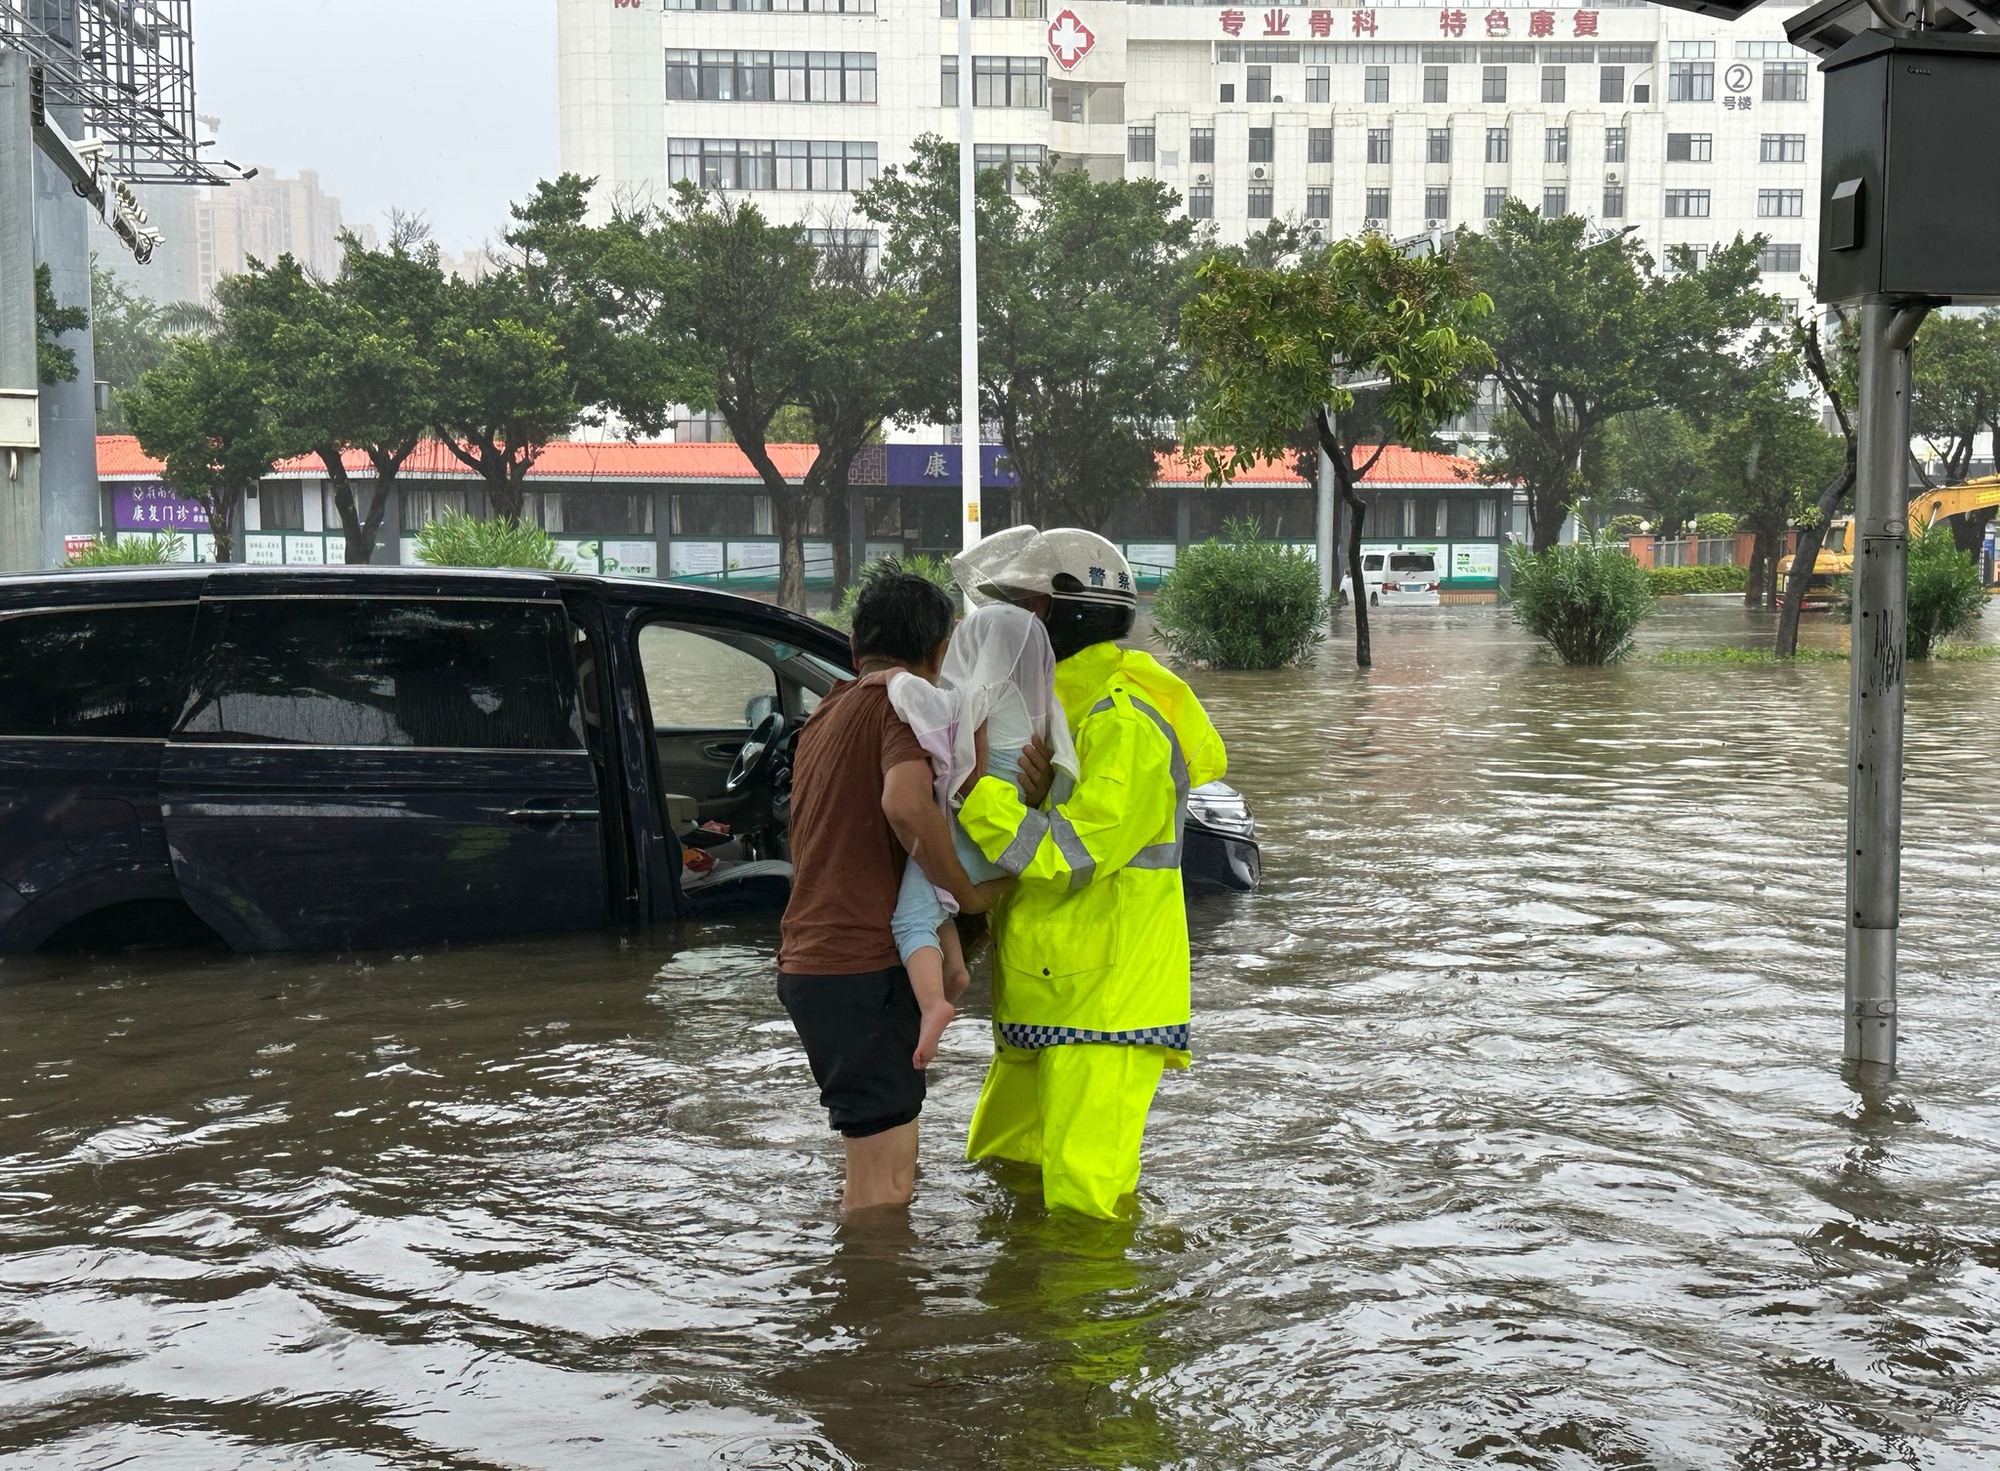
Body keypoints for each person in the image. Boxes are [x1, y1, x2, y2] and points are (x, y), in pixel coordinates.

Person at [953, 528, 1228, 1220]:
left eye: (1020, 609)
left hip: (1105, 1009)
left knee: (1084, 1214)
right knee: (1005, 1177)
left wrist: (977, 795)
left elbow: (1070, 856)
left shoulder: (1124, 724)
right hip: (1043, 995)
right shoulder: (1053, 712)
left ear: (1054, 615)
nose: (1005, 629)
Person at [777, 570, 993, 1213]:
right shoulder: (901, 702)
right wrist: (967, 894)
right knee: (886, 1188)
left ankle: (868, 1274)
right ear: (939, 651)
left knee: (875, 1173)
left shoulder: (828, 710)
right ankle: (872, 1280)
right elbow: (906, 804)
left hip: (815, 965)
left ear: (853, 645)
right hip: (861, 971)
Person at [884, 602, 1080, 1069]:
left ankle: (934, 1004)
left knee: (910, 919)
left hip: (976, 828)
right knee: (936, 901)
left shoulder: (988, 697)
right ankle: (953, 972)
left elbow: (937, 717)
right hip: (1007, 834)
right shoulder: (1044, 708)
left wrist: (895, 680)